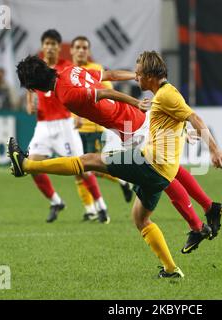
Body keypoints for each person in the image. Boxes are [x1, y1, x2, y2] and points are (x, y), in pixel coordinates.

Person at [8, 51, 222, 278]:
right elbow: (110, 75)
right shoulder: (70, 70)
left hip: (130, 126)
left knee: (95, 163)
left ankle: (197, 225)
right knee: (157, 189)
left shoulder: (66, 95)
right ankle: (206, 212)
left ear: (34, 88)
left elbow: (105, 91)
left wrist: (137, 101)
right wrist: (137, 78)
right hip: (132, 123)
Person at [25, 29, 110, 224]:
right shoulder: (36, 67)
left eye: (54, 44)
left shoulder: (66, 67)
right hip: (43, 125)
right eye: (46, 43)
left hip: (65, 124)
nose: (50, 47)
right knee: (32, 166)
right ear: (42, 46)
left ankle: (101, 206)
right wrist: (29, 103)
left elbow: (76, 92)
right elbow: (30, 89)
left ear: (58, 47)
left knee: (82, 168)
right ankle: (56, 202)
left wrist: (78, 114)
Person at [70, 36, 133, 221]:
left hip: (93, 128)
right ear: (72, 50)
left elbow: (108, 94)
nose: (81, 51)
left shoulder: (96, 70)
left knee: (91, 169)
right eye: (78, 47)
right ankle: (90, 210)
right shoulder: (69, 71)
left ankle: (121, 183)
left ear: (88, 51)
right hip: (73, 130)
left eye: (84, 48)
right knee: (77, 170)